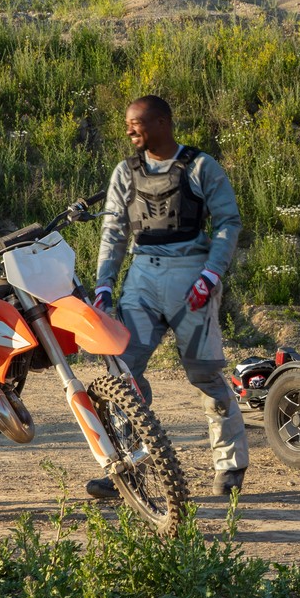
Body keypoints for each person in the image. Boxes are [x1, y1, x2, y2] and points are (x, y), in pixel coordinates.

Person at [87, 95, 248, 500]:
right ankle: (129, 465)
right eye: (127, 123)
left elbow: (228, 221)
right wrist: (104, 284)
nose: (129, 130)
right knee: (124, 375)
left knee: (206, 375)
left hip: (191, 276)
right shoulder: (125, 172)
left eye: (136, 122)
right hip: (143, 277)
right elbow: (114, 232)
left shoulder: (199, 166)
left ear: (162, 123)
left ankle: (229, 467)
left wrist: (211, 274)